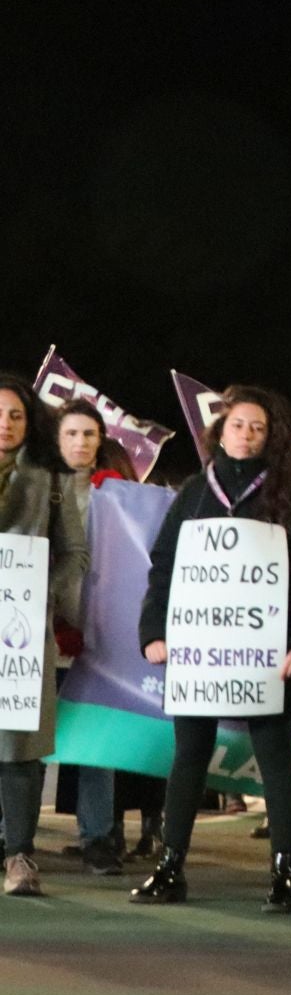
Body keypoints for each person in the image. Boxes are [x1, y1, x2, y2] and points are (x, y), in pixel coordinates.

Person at [131, 386, 291, 912]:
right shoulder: (196, 490)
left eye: (257, 427)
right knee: (189, 758)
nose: (246, 434)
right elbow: (164, 567)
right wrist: (153, 631)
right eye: (238, 424)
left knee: (276, 762)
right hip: (200, 651)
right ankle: (170, 867)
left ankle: (285, 875)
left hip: (270, 654)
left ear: (272, 438)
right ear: (220, 430)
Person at [0, 374, 88, 896]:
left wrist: (42, 596)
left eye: (15, 415)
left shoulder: (51, 480)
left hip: (22, 634)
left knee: (18, 747)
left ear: (30, 422)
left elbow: (75, 552)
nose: (5, 424)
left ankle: (19, 855)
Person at [49, 402, 140, 875]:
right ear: (57, 439)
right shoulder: (38, 488)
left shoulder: (121, 497)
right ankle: (13, 834)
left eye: (89, 434)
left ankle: (98, 838)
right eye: (71, 434)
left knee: (95, 744)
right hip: (41, 632)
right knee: (21, 741)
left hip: (99, 637)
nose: (81, 442)